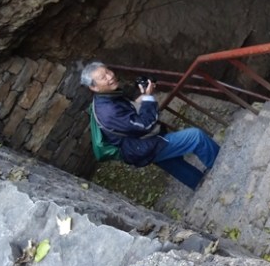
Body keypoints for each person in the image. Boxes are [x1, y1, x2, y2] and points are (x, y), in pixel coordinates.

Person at [81, 61, 220, 190]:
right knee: (195, 137)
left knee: (171, 161)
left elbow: (128, 116)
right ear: (93, 87)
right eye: (102, 77)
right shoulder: (108, 111)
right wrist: (148, 99)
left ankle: (202, 186)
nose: (110, 76)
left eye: (108, 71)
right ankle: (221, 165)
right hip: (140, 147)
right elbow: (143, 125)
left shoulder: (106, 97)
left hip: (136, 146)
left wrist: (144, 96)